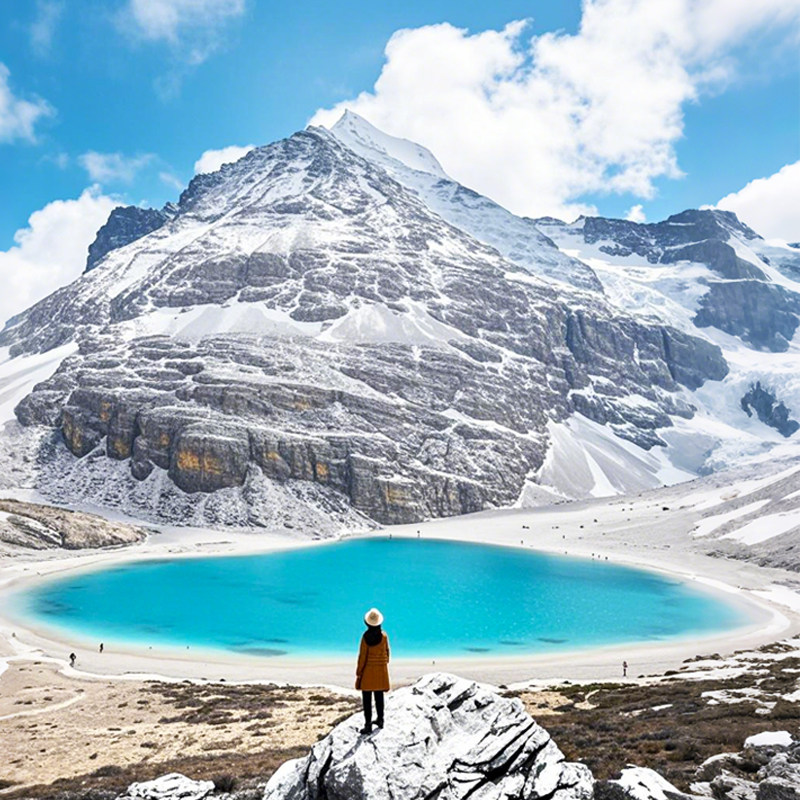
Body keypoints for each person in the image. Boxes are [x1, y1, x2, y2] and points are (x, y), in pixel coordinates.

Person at [355, 607, 390, 734]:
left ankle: (368, 725)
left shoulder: (365, 637)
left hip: (368, 672)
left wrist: (359, 672)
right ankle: (380, 720)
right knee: (379, 697)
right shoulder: (384, 636)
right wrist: (382, 665)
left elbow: (362, 657)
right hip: (381, 672)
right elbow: (387, 653)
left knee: (367, 700)